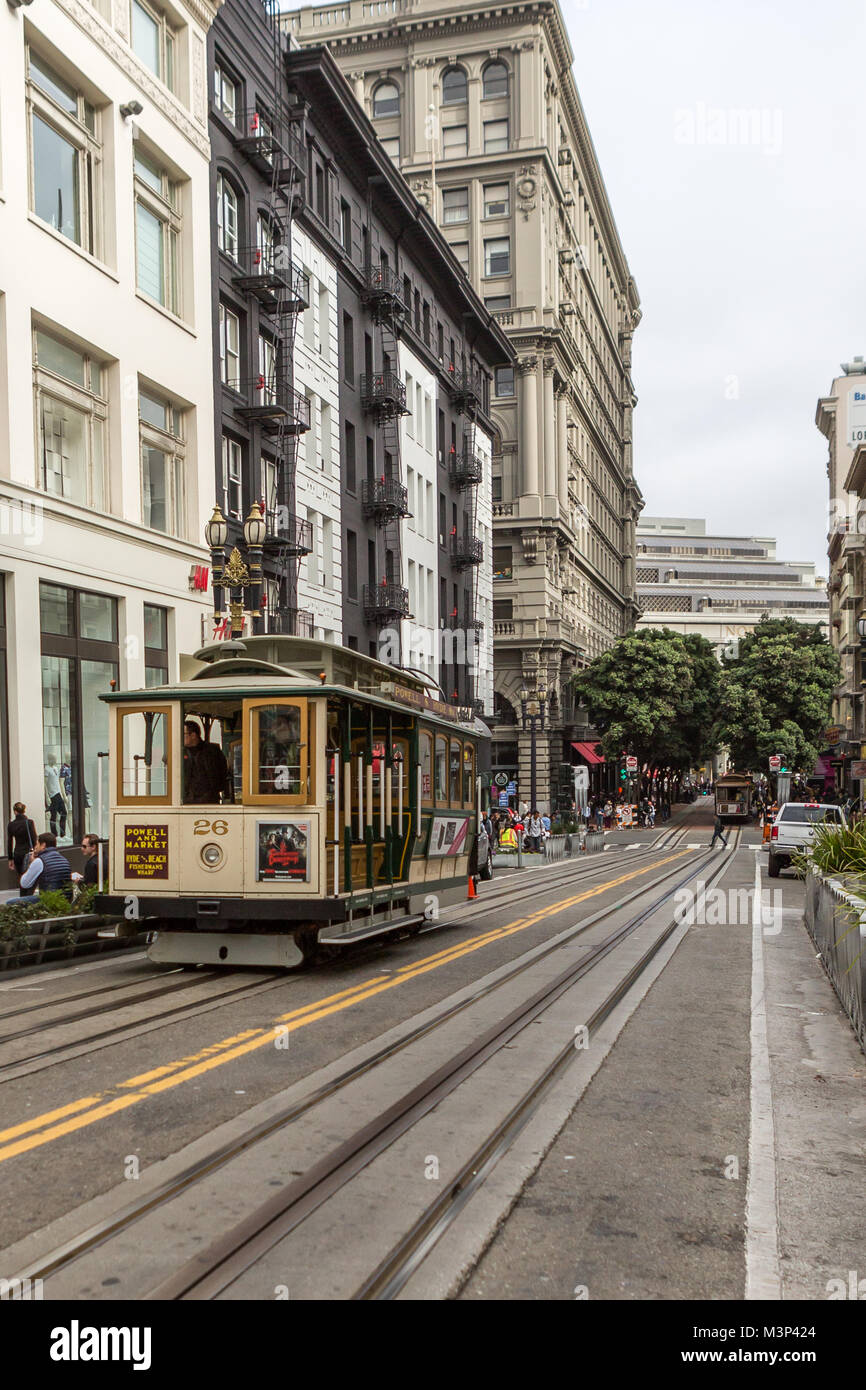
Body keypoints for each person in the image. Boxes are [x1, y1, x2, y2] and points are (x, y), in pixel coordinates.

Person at [18, 831, 72, 903]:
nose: (35, 847)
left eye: (37, 844)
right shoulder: (64, 860)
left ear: (43, 845)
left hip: (49, 899)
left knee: (10, 902)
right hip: (65, 900)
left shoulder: (39, 861)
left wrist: (32, 863)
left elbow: (24, 883)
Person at [183, 720, 229, 804]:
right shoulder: (180, 751)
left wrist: (215, 790)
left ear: (193, 735)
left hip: (209, 799)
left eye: (183, 734)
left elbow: (223, 771)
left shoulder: (212, 750)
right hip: (187, 799)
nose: (180, 737)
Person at [7, 802, 37, 882]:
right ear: (24, 811)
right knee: (29, 877)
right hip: (28, 852)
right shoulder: (29, 822)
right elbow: (34, 838)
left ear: (15, 812)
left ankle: (22, 891)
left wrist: (10, 858)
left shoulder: (11, 825)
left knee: (21, 877)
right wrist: (35, 851)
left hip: (17, 853)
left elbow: (10, 842)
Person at [44, 755, 68, 838]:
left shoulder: (56, 768)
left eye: (55, 758)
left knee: (64, 813)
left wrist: (62, 793)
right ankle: (55, 835)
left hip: (58, 793)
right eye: (53, 758)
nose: (55, 760)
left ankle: (62, 834)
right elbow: (45, 783)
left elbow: (57, 781)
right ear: (49, 759)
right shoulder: (47, 769)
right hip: (52, 794)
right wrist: (47, 796)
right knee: (53, 815)